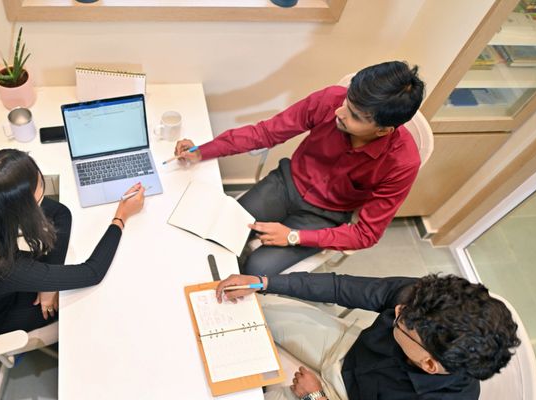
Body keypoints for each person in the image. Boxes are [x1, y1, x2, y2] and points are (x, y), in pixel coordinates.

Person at [215, 272, 520, 400]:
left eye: (400, 323)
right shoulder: (423, 304)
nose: (398, 309)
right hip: (346, 347)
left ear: (429, 363)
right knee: (253, 304)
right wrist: (264, 282)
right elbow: (341, 287)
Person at [175, 61, 425, 276]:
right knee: (222, 235)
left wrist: (295, 236)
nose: (339, 112)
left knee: (256, 268)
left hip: (325, 216)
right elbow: (265, 132)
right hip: (286, 183)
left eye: (354, 115)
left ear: (383, 130)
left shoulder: (402, 162)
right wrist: (203, 150)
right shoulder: (331, 100)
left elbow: (366, 234)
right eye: (346, 102)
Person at [0, 149, 144, 339]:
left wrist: (48, 287)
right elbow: (92, 273)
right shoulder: (4, 267)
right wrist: (121, 217)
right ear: (19, 209)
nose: (41, 184)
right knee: (81, 305)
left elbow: (60, 212)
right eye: (37, 193)